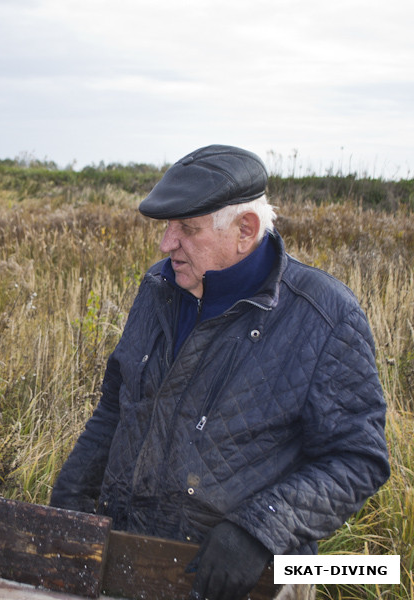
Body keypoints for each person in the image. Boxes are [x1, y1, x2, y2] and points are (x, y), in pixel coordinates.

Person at [49, 145, 389, 600]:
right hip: (132, 561)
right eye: (168, 227)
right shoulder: (159, 289)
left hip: (246, 581)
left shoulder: (324, 318)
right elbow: (116, 405)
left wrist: (260, 529)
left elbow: (358, 459)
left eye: (187, 229)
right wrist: (71, 494)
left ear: (245, 229)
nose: (167, 244)